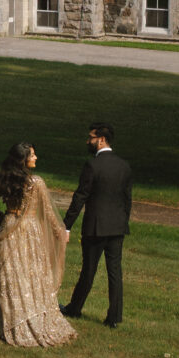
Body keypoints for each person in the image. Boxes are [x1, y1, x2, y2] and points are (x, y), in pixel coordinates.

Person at [0, 142, 76, 347]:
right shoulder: (36, 182)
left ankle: (6, 317)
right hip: (29, 231)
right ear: (24, 159)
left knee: (9, 273)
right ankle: (29, 316)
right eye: (32, 155)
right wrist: (59, 232)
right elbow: (48, 212)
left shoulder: (2, 178)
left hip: (8, 226)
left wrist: (4, 217)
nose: (36, 157)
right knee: (31, 273)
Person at [62, 123, 132, 327]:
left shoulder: (92, 166)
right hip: (117, 227)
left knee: (89, 270)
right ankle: (114, 317)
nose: (88, 141)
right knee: (115, 272)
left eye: (91, 137)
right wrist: (122, 221)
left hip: (95, 227)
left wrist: (67, 225)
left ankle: (75, 308)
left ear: (101, 139)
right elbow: (127, 199)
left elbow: (80, 197)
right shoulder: (124, 166)